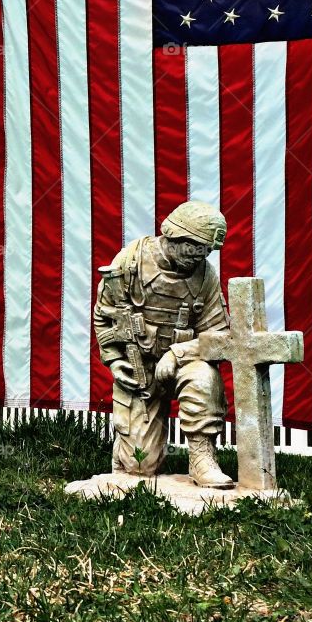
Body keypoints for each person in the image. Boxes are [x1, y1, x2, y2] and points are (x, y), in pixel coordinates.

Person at [93, 200, 233, 489]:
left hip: (182, 367)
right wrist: (114, 361)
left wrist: (179, 353)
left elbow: (218, 334)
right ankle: (128, 453)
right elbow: (104, 316)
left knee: (204, 376)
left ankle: (202, 458)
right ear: (174, 235)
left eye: (206, 251)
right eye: (194, 248)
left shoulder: (205, 276)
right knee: (139, 466)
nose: (200, 257)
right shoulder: (130, 262)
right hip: (139, 371)